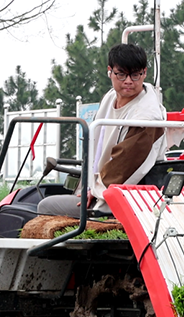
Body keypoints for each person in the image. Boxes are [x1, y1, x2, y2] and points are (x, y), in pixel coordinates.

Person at [38, 43, 167, 217]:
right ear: (110, 71)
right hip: (102, 187)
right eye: (121, 74)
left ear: (144, 73)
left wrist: (95, 190)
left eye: (135, 74)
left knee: (46, 206)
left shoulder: (146, 117)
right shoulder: (110, 97)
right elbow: (96, 146)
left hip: (123, 197)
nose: (128, 81)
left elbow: (125, 165)